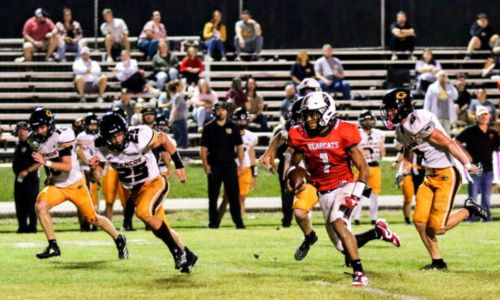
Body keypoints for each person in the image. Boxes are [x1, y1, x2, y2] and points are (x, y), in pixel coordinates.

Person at [288, 92, 400, 286]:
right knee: (341, 245)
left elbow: (363, 169)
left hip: (344, 185)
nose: (308, 119)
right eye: (306, 115)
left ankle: (359, 273)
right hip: (322, 190)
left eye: (313, 114)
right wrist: (294, 174)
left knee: (338, 223)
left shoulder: (344, 131)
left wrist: (355, 195)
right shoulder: (300, 135)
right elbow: (294, 164)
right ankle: (377, 232)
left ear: (326, 112)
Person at [380, 88, 488, 270]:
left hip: (446, 174)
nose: (388, 113)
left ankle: (469, 210)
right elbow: (409, 150)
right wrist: (402, 170)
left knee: (438, 227)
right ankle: (438, 262)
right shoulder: (401, 129)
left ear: (401, 107)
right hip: (429, 176)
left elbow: (448, 142)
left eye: (391, 109)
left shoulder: (419, 119)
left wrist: (466, 164)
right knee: (420, 221)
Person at [93, 112, 197, 272]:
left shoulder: (139, 136)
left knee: (143, 212)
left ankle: (177, 252)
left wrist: (179, 164)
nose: (118, 140)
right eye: (112, 137)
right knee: (161, 230)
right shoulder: (101, 146)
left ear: (125, 131)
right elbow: (96, 175)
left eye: (120, 135)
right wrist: (94, 170)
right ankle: (188, 255)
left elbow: (163, 138)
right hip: (136, 190)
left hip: (154, 182)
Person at [27, 107, 128, 260]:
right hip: (57, 185)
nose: (40, 131)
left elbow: (66, 166)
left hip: (74, 184)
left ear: (50, 124)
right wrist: (49, 176)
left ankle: (119, 239)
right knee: (40, 206)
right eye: (36, 128)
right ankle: (53, 246)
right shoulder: (33, 140)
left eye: (42, 127)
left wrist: (45, 163)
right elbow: (47, 158)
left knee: (93, 218)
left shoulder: (63, 136)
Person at [259, 78, 322, 231]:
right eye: (305, 91)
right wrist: (270, 153)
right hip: (298, 159)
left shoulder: (326, 117)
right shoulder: (296, 117)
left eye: (310, 91)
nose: (307, 95)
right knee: (296, 190)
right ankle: (301, 226)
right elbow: (282, 134)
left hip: (322, 160)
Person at [200, 102, 245, 229]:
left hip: (230, 165)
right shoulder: (209, 127)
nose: (220, 112)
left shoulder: (233, 126)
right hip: (214, 166)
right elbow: (203, 149)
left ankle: (238, 222)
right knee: (213, 196)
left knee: (233, 195)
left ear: (226, 111)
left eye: (222, 110)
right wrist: (205, 164)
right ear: (214, 112)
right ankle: (213, 223)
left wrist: (241, 165)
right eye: (218, 110)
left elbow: (240, 147)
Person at [456, 106, 500, 221]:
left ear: (489, 116)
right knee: (473, 195)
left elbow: (498, 147)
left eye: (486, 114)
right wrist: (465, 154)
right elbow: (456, 141)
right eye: (481, 115)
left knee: (486, 196)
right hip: (475, 167)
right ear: (477, 117)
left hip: (488, 168)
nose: (484, 117)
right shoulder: (470, 131)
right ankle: (470, 216)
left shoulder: (492, 133)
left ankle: (486, 217)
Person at [218, 108, 258, 219]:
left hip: (246, 169)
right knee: (227, 197)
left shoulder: (251, 136)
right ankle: (216, 220)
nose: (242, 122)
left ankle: (239, 222)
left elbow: (252, 156)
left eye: (244, 120)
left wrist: (255, 174)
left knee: (242, 198)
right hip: (231, 168)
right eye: (240, 120)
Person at [352, 110, 385, 225]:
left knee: (374, 195)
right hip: (361, 167)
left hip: (375, 167)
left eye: (370, 119)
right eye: (365, 120)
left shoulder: (379, 133)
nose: (368, 122)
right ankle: (356, 218)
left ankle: (374, 218)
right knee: (358, 194)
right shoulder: (357, 133)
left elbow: (382, 154)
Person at [75, 113, 102, 232]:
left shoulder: (99, 136)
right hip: (83, 169)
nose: (93, 127)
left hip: (93, 169)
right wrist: (89, 164)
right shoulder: (82, 136)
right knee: (82, 198)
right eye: (91, 124)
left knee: (95, 197)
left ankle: (95, 221)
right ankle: (84, 223)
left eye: (95, 124)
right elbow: (79, 153)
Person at [12, 121, 39, 233]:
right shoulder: (19, 145)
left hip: (30, 179)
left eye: (23, 130)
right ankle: (22, 226)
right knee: (20, 203)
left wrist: (27, 171)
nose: (21, 133)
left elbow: (40, 161)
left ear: (28, 131)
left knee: (31, 203)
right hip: (19, 179)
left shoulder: (33, 143)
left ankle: (32, 227)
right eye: (19, 130)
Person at [392, 140, 425, 225]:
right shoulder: (408, 141)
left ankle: (419, 218)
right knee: (408, 198)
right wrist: (396, 162)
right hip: (407, 172)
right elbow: (401, 151)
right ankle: (407, 219)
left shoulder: (427, 142)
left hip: (421, 171)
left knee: (421, 197)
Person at [167, 80, 189, 149]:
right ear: (177, 87)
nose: (183, 86)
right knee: (183, 139)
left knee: (176, 140)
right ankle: (184, 156)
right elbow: (175, 108)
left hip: (176, 120)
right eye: (181, 85)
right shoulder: (178, 96)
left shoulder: (175, 96)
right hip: (179, 120)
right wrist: (171, 119)